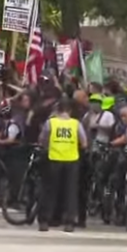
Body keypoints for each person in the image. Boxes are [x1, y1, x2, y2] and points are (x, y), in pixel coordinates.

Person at [38, 98, 88, 232]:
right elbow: (84, 143)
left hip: (54, 158)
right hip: (72, 160)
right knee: (70, 192)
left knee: (49, 190)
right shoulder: (76, 124)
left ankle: (44, 220)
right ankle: (69, 222)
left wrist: (47, 146)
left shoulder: (50, 123)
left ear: (57, 110)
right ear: (70, 111)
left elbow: (42, 140)